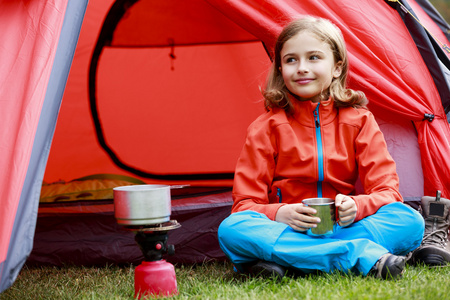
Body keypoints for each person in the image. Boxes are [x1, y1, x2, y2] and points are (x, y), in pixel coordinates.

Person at [218, 16, 425, 280]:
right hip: (287, 229)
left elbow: (386, 191)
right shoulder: (265, 127)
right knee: (232, 229)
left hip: (344, 226)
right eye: (291, 60)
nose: (302, 68)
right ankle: (357, 254)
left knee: (409, 221)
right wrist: (280, 212)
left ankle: (290, 261)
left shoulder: (359, 120)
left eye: (314, 57)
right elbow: (245, 204)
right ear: (280, 68)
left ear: (337, 67)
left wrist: (356, 205)